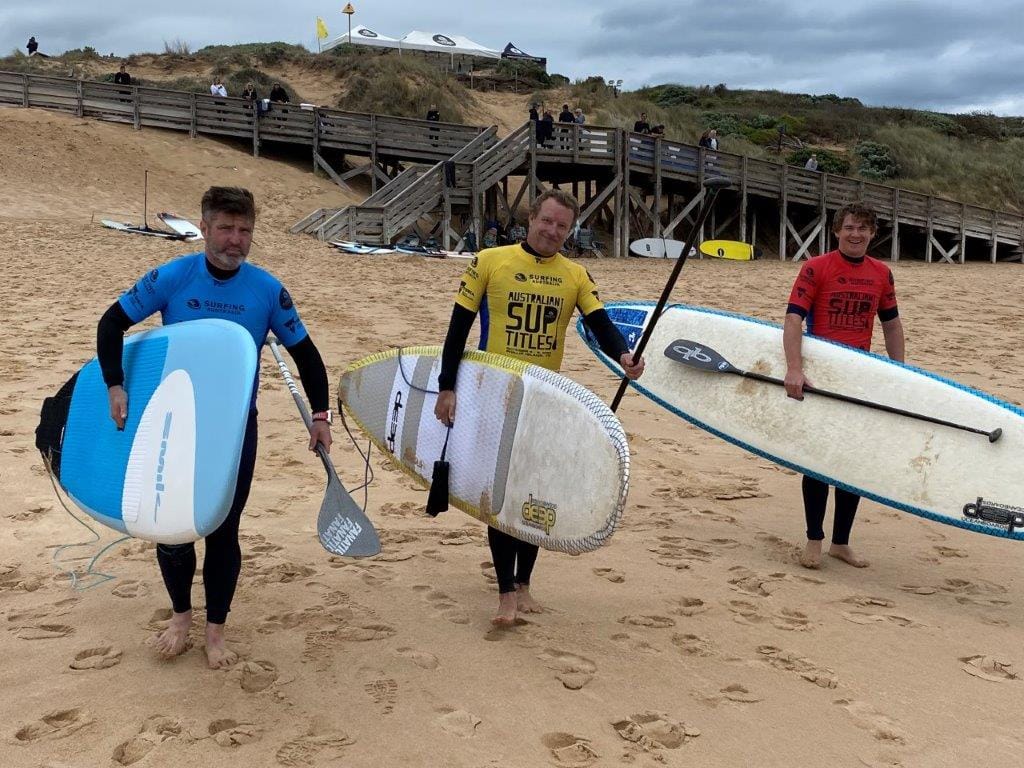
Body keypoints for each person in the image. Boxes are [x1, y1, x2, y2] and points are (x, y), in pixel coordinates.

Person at [95, 187, 332, 668]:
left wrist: (321, 415)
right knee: (173, 530)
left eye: (244, 230)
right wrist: (115, 385)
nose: (235, 240)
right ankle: (181, 616)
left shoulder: (267, 290)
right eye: (225, 228)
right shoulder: (172, 277)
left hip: (234, 431)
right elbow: (111, 323)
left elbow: (306, 356)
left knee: (224, 529)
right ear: (203, 228)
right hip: (175, 424)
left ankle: (215, 630)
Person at [433, 189, 645, 626]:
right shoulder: (489, 261)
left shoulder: (575, 275)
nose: (552, 231)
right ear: (531, 219)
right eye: (547, 221)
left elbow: (601, 325)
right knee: (501, 493)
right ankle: (505, 594)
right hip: (495, 393)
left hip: (544, 398)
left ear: (569, 231)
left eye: (562, 226)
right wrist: (446, 387)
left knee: (534, 491)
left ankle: (525, 584)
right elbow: (458, 328)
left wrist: (624, 355)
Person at [783, 201, 904, 571]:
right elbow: (793, 320)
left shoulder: (881, 273)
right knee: (818, 460)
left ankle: (840, 543)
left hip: (859, 376)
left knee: (852, 461)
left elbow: (891, 325)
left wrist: (900, 374)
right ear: (837, 231)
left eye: (863, 228)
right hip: (821, 374)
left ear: (873, 234)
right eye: (849, 227)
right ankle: (814, 539)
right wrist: (794, 369)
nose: (856, 234)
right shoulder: (816, 267)